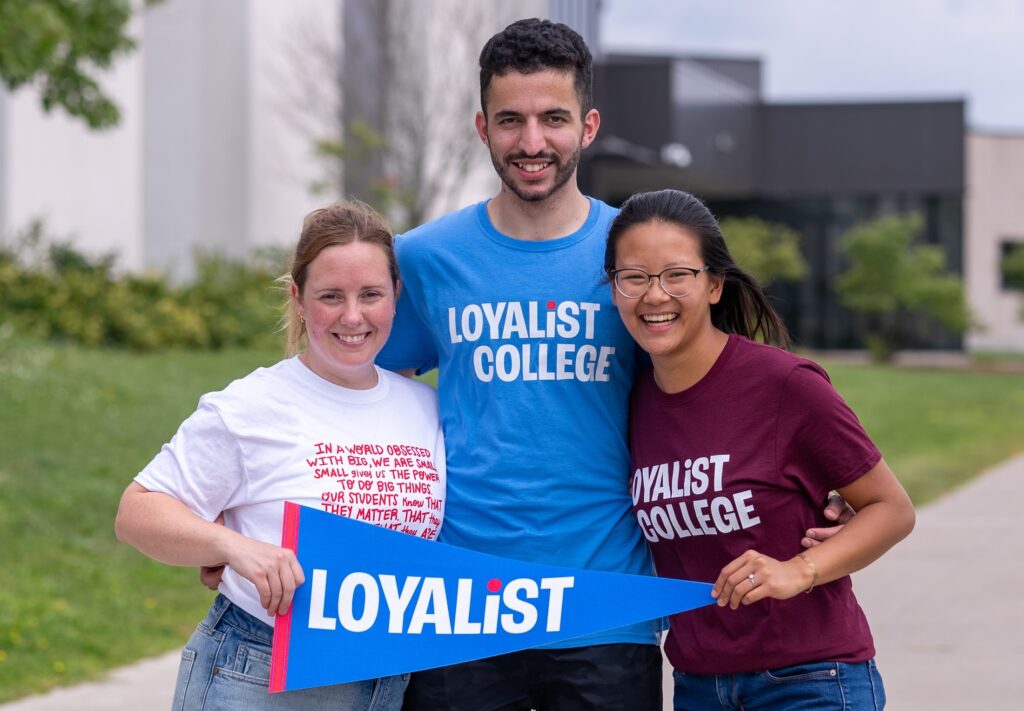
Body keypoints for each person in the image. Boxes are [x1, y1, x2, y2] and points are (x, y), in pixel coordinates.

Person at [373, 18, 851, 711]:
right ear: (482, 127)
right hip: (461, 605)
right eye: (511, 120)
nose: (531, 142)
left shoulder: (637, 256)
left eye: (553, 118)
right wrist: (263, 522)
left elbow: (722, 386)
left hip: (606, 604)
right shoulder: (424, 258)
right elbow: (355, 395)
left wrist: (824, 485)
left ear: (588, 125)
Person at [115, 201, 446, 710]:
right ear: (298, 298)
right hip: (261, 673)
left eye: (371, 295)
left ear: (396, 297)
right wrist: (232, 547)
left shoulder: (427, 409)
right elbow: (137, 513)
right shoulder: (250, 407)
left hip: (391, 681)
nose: (353, 316)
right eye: (331, 296)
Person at [604, 188, 916, 710]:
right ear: (614, 290)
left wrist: (800, 570)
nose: (654, 296)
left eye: (677, 274)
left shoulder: (784, 385)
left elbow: (893, 510)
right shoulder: (632, 403)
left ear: (714, 286)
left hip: (810, 680)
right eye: (633, 277)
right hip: (698, 684)